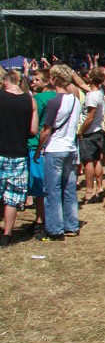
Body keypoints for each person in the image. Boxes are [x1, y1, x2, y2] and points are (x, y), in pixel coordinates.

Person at [34, 65, 83, 241]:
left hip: (55, 148)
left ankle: (54, 228)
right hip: (71, 148)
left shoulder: (55, 101)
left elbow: (46, 130)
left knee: (52, 190)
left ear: (55, 80)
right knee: (69, 189)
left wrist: (38, 150)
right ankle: (71, 225)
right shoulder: (76, 100)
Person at [0, 71, 38, 246]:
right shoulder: (29, 100)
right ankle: (7, 235)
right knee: (12, 197)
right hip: (19, 153)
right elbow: (33, 130)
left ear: (5, 82)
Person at [26, 69, 54, 239]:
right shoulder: (57, 97)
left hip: (36, 144)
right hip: (53, 146)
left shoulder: (38, 99)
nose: (33, 82)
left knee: (39, 188)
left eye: (37, 79)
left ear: (46, 81)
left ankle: (40, 220)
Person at [78, 67, 105, 204]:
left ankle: (89, 191)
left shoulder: (92, 96)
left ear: (92, 78)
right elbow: (82, 84)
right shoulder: (98, 92)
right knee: (96, 160)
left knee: (88, 161)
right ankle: (99, 186)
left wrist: (80, 131)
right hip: (98, 131)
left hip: (90, 132)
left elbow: (89, 117)